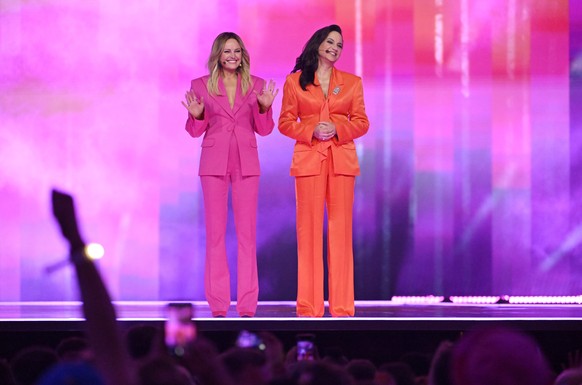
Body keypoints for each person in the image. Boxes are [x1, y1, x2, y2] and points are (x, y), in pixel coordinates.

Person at [181, 32, 278, 318]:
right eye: (226, 51)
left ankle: (247, 305)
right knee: (215, 235)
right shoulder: (200, 85)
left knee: (247, 235)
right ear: (218, 56)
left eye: (236, 51)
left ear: (242, 55)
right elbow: (194, 131)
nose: (232, 56)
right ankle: (219, 304)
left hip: (246, 162)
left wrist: (264, 107)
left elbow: (265, 129)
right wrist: (197, 115)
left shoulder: (257, 85)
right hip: (213, 162)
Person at [278, 24, 369, 317]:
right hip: (309, 159)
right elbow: (285, 122)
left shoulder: (352, 82)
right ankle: (309, 306)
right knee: (309, 233)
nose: (335, 48)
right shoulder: (295, 82)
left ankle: (342, 306)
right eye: (330, 42)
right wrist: (312, 129)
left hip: (341, 159)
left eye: (340, 45)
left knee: (341, 233)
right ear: (318, 43)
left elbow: (362, 122)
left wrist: (339, 128)